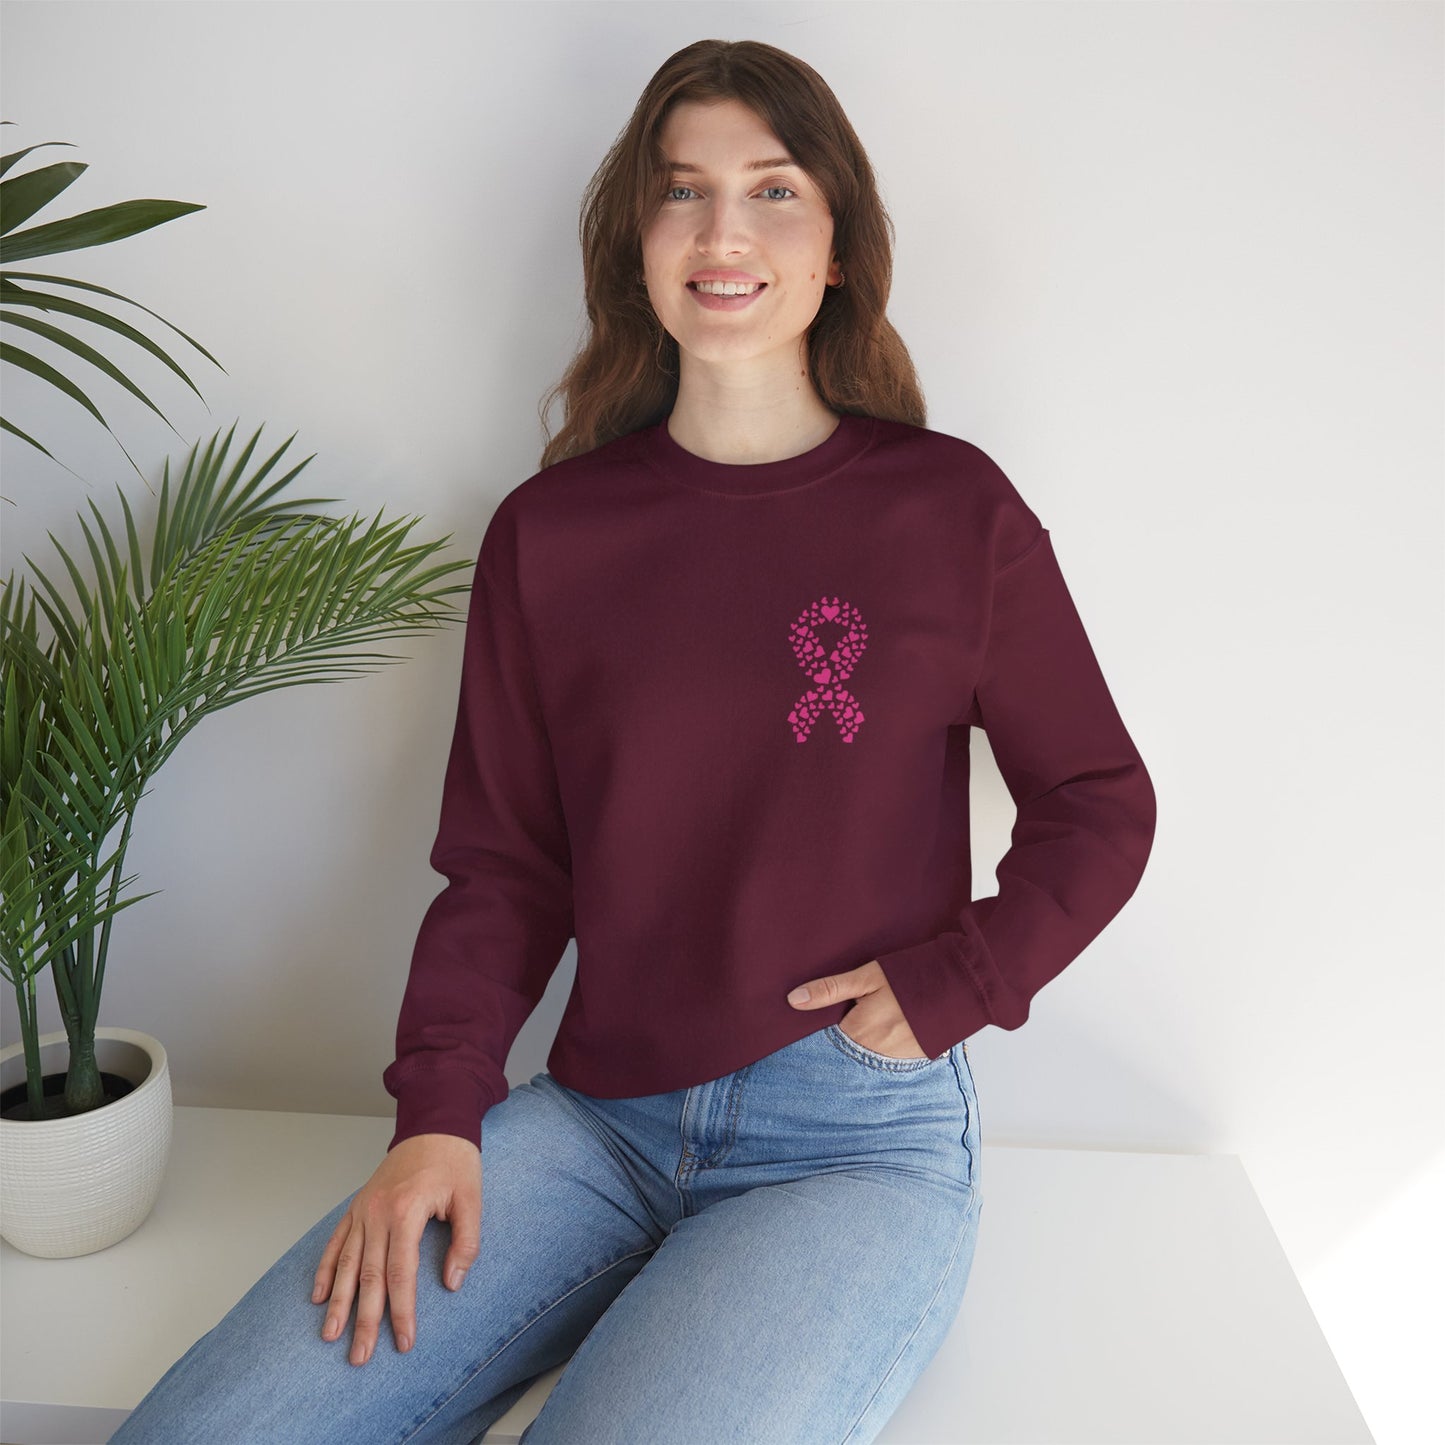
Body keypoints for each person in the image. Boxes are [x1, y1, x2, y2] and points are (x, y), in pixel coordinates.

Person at [109, 38, 1156, 1445]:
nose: (723, 232)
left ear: (837, 244)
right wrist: (439, 1110)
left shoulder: (948, 513)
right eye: (682, 192)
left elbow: (1097, 797)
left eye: (772, 191)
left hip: (848, 1140)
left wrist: (960, 974)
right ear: (637, 243)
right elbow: (503, 867)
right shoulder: (553, 534)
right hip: (593, 1117)